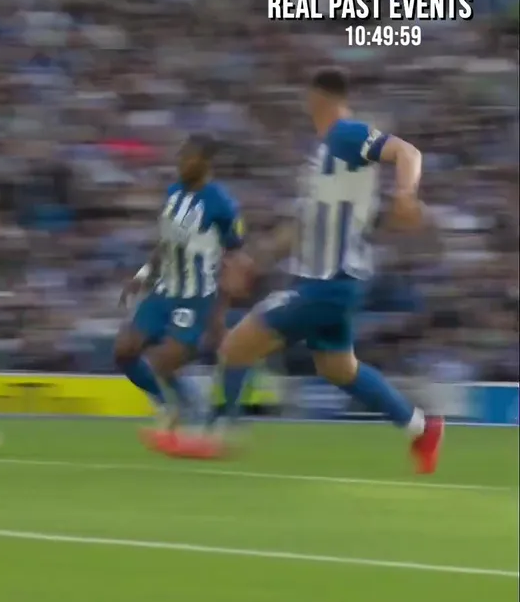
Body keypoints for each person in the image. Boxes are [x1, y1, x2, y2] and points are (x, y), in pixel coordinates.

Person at [184, 68, 444, 472]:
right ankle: (422, 428)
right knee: (339, 369)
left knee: (236, 346)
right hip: (331, 282)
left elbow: (407, 152)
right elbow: (301, 226)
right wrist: (255, 259)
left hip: (327, 282)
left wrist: (405, 195)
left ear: (318, 98)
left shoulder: (346, 134)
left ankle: (211, 434)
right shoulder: (321, 158)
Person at [117, 135, 249, 452]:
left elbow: (235, 255)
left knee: (165, 361)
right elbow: (166, 244)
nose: (182, 163)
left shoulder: (222, 204)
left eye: (189, 158)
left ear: (205, 163)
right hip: (165, 290)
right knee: (124, 351)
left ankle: (193, 405)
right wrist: (142, 276)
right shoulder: (173, 193)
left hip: (196, 296)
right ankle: (168, 406)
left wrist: (220, 309)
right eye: (180, 157)